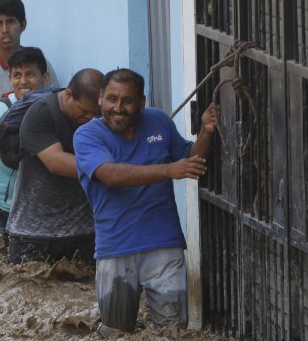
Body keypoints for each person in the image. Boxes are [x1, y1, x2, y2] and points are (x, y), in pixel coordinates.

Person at [73, 68, 218, 335]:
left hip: (164, 245)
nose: (119, 108)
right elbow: (110, 175)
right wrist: (168, 170)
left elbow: (192, 161)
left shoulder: (159, 122)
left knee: (173, 333)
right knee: (114, 332)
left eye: (127, 101)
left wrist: (206, 132)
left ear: (141, 103)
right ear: (101, 98)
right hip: (115, 248)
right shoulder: (86, 136)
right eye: (112, 99)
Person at [5, 68, 103, 264]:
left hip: (84, 232)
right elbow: (55, 162)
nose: (90, 119)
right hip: (32, 233)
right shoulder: (41, 113)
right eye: (84, 112)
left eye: (95, 113)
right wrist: (107, 170)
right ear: (68, 95)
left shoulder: (99, 118)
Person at [0, 47, 50, 254]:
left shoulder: (51, 110)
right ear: (10, 79)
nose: (23, 81)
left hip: (28, 206)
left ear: (45, 77)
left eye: (30, 74)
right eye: (17, 75)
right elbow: (10, 155)